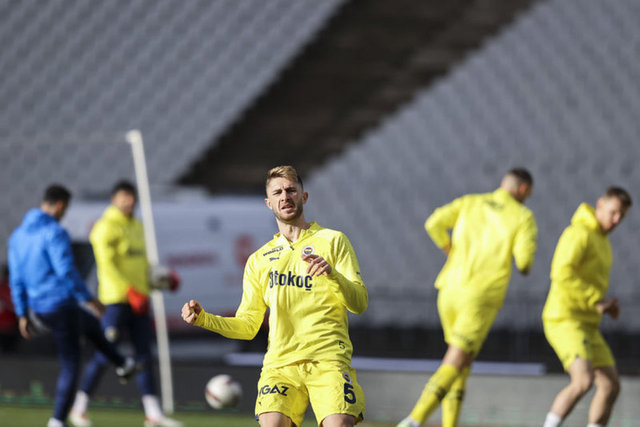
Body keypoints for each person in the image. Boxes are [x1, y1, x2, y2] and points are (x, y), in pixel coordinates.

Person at [181, 165, 368, 427]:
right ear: (268, 203)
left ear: (304, 196)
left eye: (291, 190)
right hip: (280, 365)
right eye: (277, 192)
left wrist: (333, 275)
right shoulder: (258, 260)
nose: (285, 197)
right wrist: (204, 319)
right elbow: (248, 326)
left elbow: (359, 304)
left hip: (328, 360)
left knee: (339, 424)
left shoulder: (334, 241)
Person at [398, 168, 538, 427]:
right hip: (481, 295)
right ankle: (413, 420)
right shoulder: (523, 216)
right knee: (455, 361)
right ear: (523, 189)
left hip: (449, 289)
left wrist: (449, 249)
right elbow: (524, 262)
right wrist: (524, 262)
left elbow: (433, 223)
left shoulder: (471, 202)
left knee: (462, 365)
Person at [8, 184, 136, 427]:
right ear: (60, 205)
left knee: (89, 324)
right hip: (61, 305)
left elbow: (16, 279)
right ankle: (57, 420)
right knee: (71, 364)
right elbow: (65, 271)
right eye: (65, 209)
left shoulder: (18, 236)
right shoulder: (55, 232)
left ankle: (122, 363)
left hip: (39, 309)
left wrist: (22, 313)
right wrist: (89, 299)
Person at [70, 181, 181, 427]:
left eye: (131, 197)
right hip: (115, 302)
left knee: (144, 355)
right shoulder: (104, 227)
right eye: (124, 197)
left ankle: (153, 414)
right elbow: (107, 265)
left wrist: (163, 280)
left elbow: (142, 265)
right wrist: (129, 291)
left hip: (139, 301)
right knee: (105, 352)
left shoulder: (137, 226)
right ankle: (79, 407)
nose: (129, 201)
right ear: (113, 199)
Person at [542, 187, 632, 427]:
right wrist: (595, 299)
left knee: (610, 385)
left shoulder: (603, 242)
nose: (616, 220)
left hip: (588, 324)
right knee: (583, 381)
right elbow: (561, 273)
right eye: (613, 212)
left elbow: (590, 284)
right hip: (565, 319)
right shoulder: (578, 233)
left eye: (622, 216)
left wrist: (604, 305)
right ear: (600, 205)